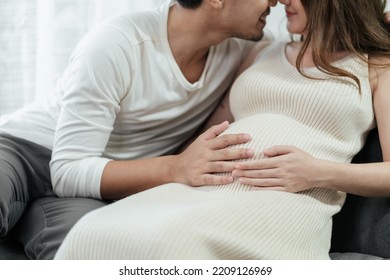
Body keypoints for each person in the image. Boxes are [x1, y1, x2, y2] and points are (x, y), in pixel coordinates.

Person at [54, 0, 390, 260]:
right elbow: (207, 133)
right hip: (205, 190)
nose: (280, 0)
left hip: (282, 203)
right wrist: (179, 164)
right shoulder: (261, 50)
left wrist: (319, 172)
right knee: (90, 233)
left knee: (169, 245)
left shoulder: (378, 66)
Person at [0, 0, 278, 259]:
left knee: (88, 252)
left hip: (99, 185)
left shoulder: (245, 51)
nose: (275, 2)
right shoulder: (118, 43)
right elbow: (68, 170)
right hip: (24, 150)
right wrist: (177, 167)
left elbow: (308, 48)